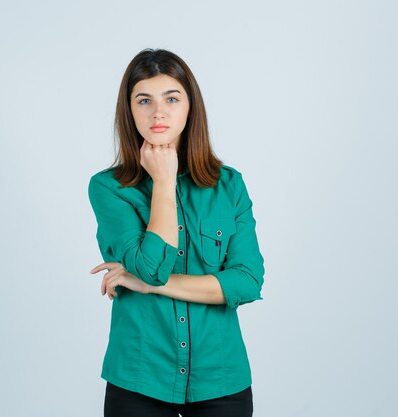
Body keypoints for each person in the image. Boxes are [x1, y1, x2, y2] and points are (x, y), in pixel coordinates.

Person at [87, 48, 265, 417]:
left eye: (171, 98)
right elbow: (152, 266)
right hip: (139, 378)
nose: (158, 112)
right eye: (144, 100)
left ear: (190, 106)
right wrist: (164, 182)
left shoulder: (229, 185)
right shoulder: (109, 189)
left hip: (221, 378)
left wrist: (150, 284)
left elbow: (247, 281)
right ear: (129, 110)